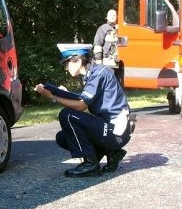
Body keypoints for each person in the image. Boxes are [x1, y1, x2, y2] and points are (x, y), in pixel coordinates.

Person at [34, 44, 133, 177]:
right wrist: (62, 92)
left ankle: (90, 164)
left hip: (116, 132)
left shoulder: (98, 74)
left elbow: (81, 106)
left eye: (67, 63)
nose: (65, 68)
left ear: (78, 60)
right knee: (63, 138)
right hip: (108, 127)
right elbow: (84, 99)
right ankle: (111, 152)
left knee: (67, 115)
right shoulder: (93, 73)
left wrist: (53, 97)